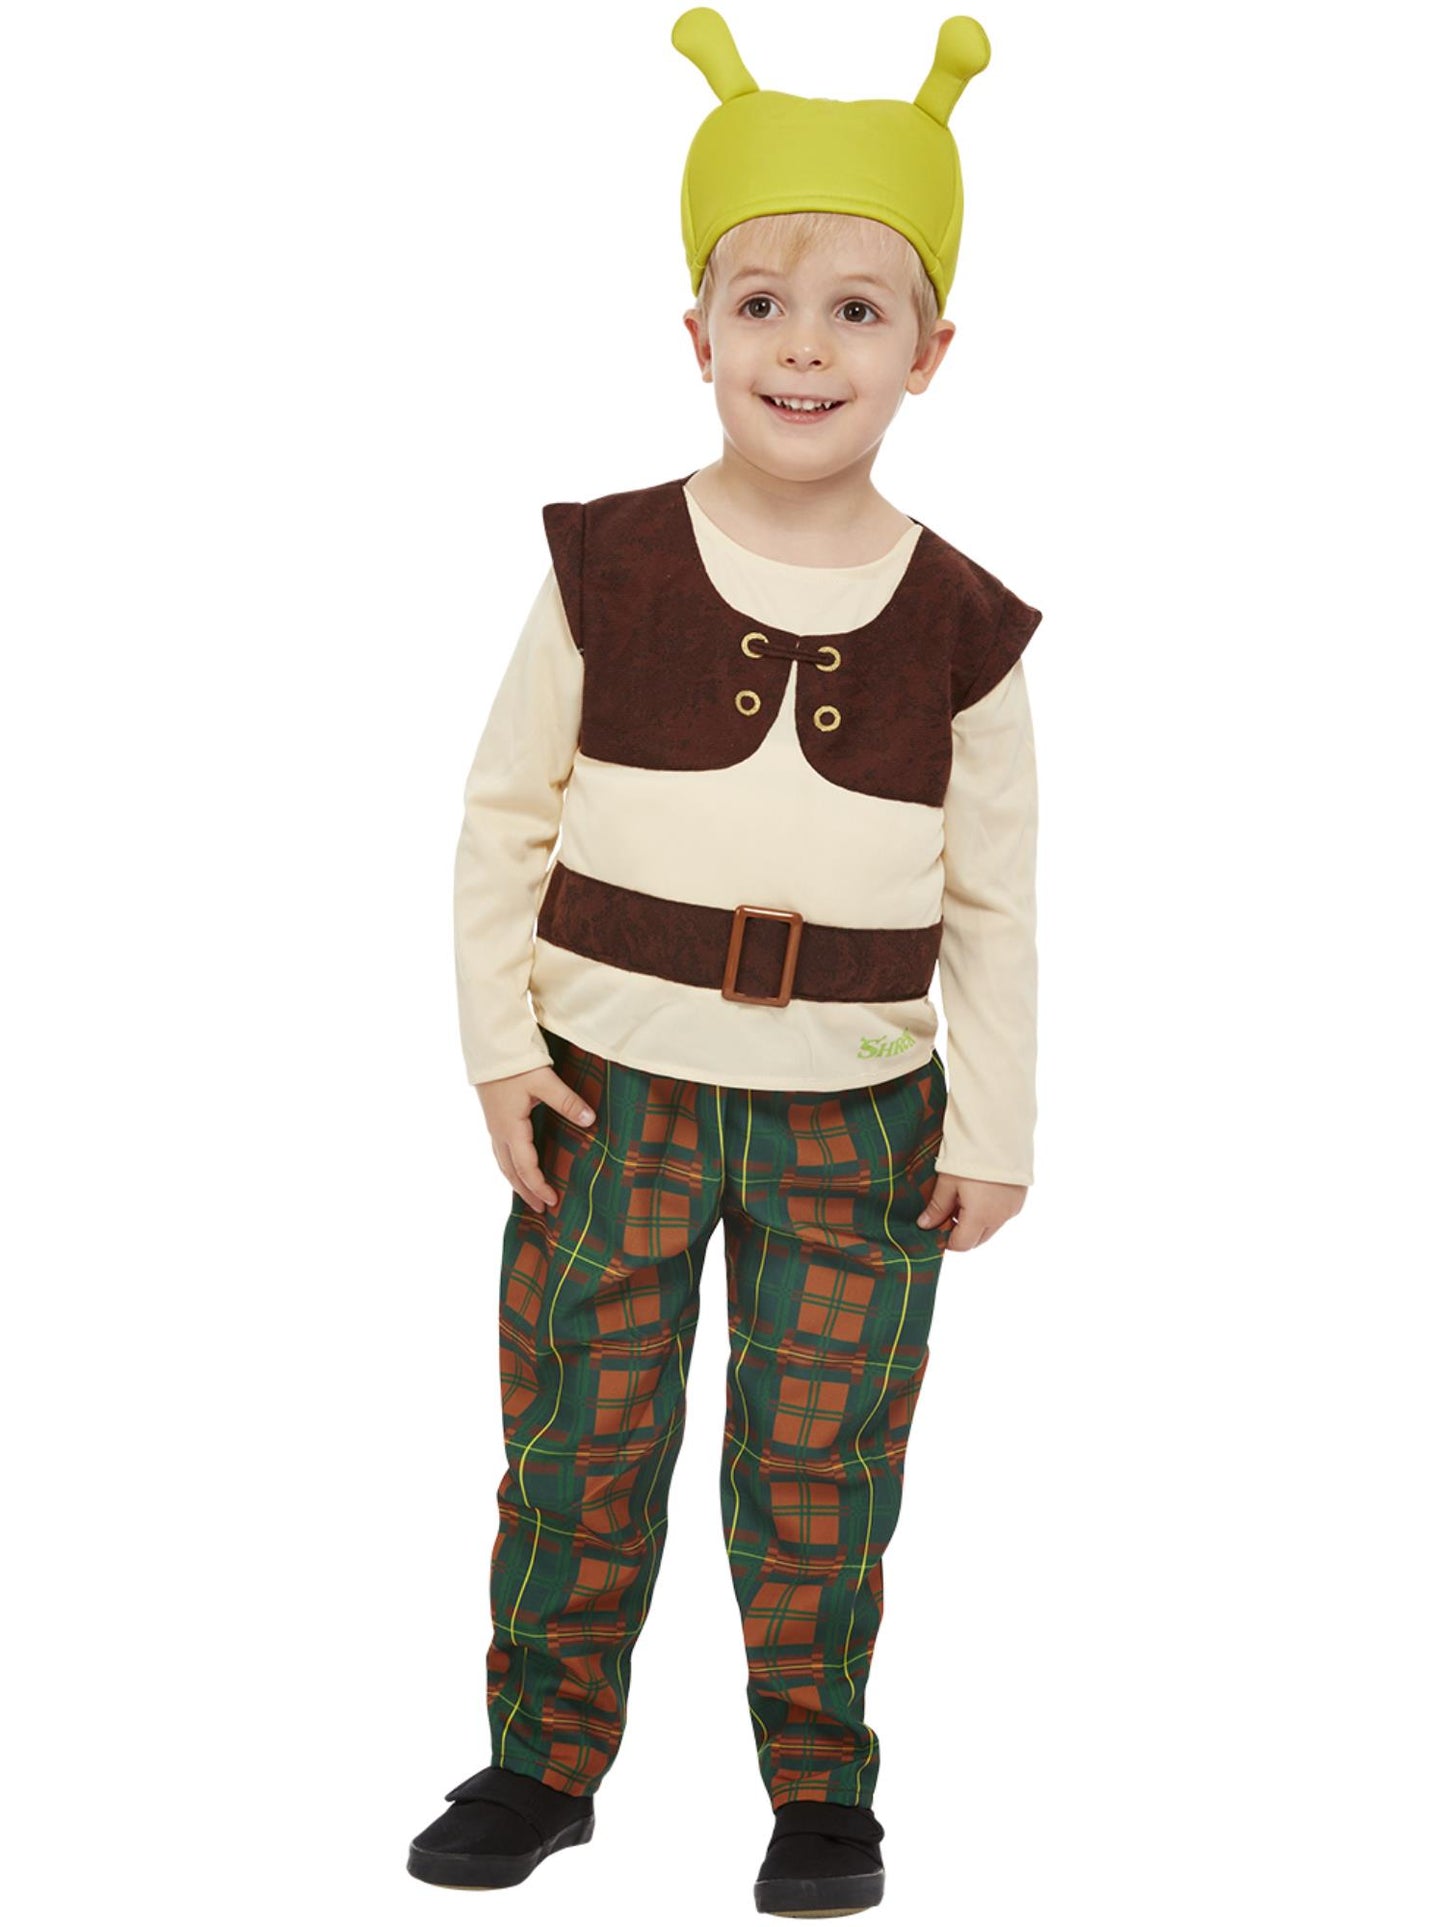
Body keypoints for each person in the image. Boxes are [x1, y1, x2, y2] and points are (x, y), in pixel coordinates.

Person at [407, 9, 1043, 1916]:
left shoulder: (965, 624)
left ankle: (818, 1789)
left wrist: (994, 1125)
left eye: (858, 311)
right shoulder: (603, 565)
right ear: (694, 332)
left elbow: (996, 899)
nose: (803, 347)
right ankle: (541, 1760)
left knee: (822, 1463)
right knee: (575, 1436)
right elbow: (500, 816)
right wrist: (497, 1049)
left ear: (930, 351)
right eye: (760, 304)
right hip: (605, 1094)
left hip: (858, 1117)